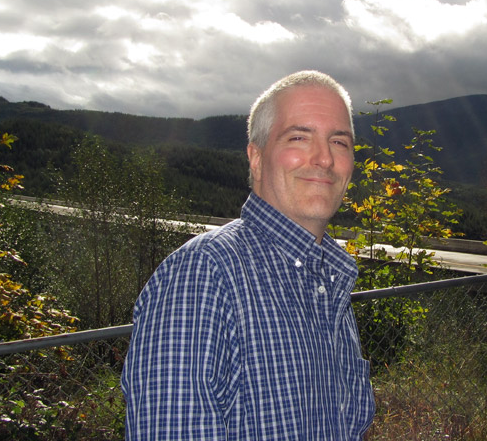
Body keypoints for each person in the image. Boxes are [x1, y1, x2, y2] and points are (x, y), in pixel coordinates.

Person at [122, 70, 375, 440]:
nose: (324, 159)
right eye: (299, 137)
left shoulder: (326, 279)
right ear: (256, 158)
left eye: (339, 142)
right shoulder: (204, 276)